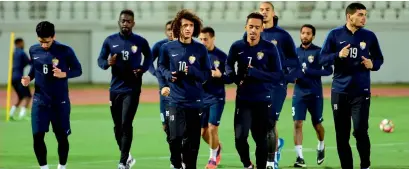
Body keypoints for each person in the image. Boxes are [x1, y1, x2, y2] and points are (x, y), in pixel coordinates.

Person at [320, 3, 384, 169]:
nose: (364, 18)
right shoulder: (334, 35)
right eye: (361, 14)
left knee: (360, 131)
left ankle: (365, 165)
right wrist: (337, 55)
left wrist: (373, 64)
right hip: (339, 92)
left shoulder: (369, 36)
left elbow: (379, 59)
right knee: (342, 136)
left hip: (361, 92)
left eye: (365, 15)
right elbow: (322, 58)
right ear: (350, 16)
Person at [21, 21, 82, 169]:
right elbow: (35, 69)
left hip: (59, 102)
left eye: (46, 41)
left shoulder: (65, 51)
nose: (43, 45)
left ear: (53, 36)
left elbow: (78, 70)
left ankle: (62, 166)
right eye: (40, 41)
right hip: (40, 101)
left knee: (61, 137)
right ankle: (44, 167)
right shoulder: (33, 50)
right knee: (37, 136)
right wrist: (29, 78)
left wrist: (64, 74)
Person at [226, 12, 283, 169]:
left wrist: (256, 73)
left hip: (262, 100)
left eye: (257, 27)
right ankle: (247, 165)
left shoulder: (270, 48)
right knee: (239, 138)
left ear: (262, 28)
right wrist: (233, 76)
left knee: (261, 140)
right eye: (250, 27)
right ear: (246, 27)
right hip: (243, 99)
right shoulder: (237, 46)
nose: (253, 30)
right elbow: (228, 64)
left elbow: (278, 75)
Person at [97, 9, 153, 169]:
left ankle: (122, 163)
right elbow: (100, 60)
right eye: (123, 21)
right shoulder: (110, 40)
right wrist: (108, 63)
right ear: (119, 22)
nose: (125, 24)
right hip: (115, 89)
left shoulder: (140, 41)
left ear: (133, 23)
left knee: (126, 123)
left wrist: (142, 68)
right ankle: (127, 156)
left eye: (128, 21)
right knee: (117, 126)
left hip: (132, 89)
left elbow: (149, 57)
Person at [158, 9, 211, 169]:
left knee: (193, 144)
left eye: (191, 25)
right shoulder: (168, 48)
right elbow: (161, 66)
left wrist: (192, 72)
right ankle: (176, 164)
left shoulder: (200, 49)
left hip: (195, 103)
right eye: (185, 25)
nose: (188, 28)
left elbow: (206, 74)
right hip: (175, 101)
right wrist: (169, 75)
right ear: (178, 28)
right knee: (174, 139)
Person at [258, 2, 302, 168]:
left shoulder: (282, 36)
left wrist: (287, 76)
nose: (264, 13)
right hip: (258, 86)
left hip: (277, 85)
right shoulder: (253, 34)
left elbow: (294, 61)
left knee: (270, 121)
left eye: (267, 10)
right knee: (260, 124)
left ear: (273, 13)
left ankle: (272, 158)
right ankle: (276, 144)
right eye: (261, 10)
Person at [292, 24, 333, 167]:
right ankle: (299, 158)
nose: (305, 36)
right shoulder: (294, 52)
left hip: (315, 93)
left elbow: (328, 71)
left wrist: (309, 72)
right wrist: (292, 77)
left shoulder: (319, 52)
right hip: (299, 93)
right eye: (303, 33)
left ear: (313, 36)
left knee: (317, 124)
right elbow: (289, 71)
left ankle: (321, 145)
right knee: (297, 123)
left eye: (308, 33)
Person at [198, 26, 229, 169]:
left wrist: (220, 75)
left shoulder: (222, 57)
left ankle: (212, 158)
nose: (203, 42)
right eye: (201, 39)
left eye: (206, 39)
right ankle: (217, 147)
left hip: (216, 97)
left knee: (212, 128)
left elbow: (230, 78)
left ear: (213, 39)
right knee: (202, 132)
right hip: (200, 97)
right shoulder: (196, 55)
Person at [10, 38, 32, 120]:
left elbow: (19, 64)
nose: (23, 45)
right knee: (28, 96)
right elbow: (29, 62)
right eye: (22, 43)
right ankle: (22, 115)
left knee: (21, 97)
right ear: (19, 43)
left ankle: (11, 113)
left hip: (12, 78)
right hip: (19, 78)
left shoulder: (13, 53)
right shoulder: (22, 53)